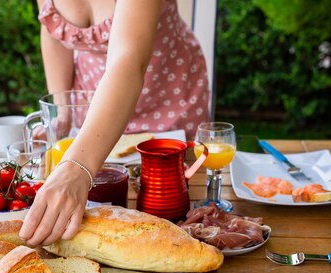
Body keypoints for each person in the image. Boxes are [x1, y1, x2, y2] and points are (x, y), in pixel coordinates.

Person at [20, 0, 210, 246]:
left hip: (166, 99)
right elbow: (53, 30)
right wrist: (62, 110)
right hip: (95, 110)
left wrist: (75, 167)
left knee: (169, 214)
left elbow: (128, 61)